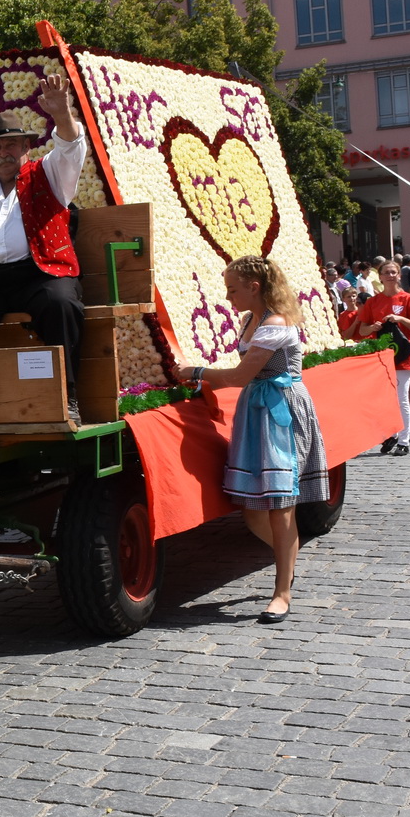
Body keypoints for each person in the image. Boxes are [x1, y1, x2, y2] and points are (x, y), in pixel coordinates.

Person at [176, 256, 326, 624]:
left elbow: (240, 375)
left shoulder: (275, 323)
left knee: (280, 501)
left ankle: (282, 592)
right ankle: (287, 558)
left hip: (281, 411)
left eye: (232, 289)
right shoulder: (250, 321)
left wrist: (194, 371)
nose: (228, 297)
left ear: (254, 287)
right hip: (257, 410)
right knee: (253, 508)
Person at [0, 72, 88, 421]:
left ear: (26, 147)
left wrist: (62, 114)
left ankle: (67, 399)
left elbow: (70, 148)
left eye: (10, 145)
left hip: (41, 274)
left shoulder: (49, 173)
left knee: (61, 303)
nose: (3, 153)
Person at [354, 259, 410, 455]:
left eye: (394, 272)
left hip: (403, 356)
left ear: (399, 275)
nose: (391, 275)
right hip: (382, 357)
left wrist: (401, 319)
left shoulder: (409, 299)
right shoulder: (373, 302)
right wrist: (373, 327)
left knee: (401, 398)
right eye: (387, 272)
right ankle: (390, 434)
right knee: (384, 399)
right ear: (381, 277)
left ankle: (404, 440)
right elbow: (363, 328)